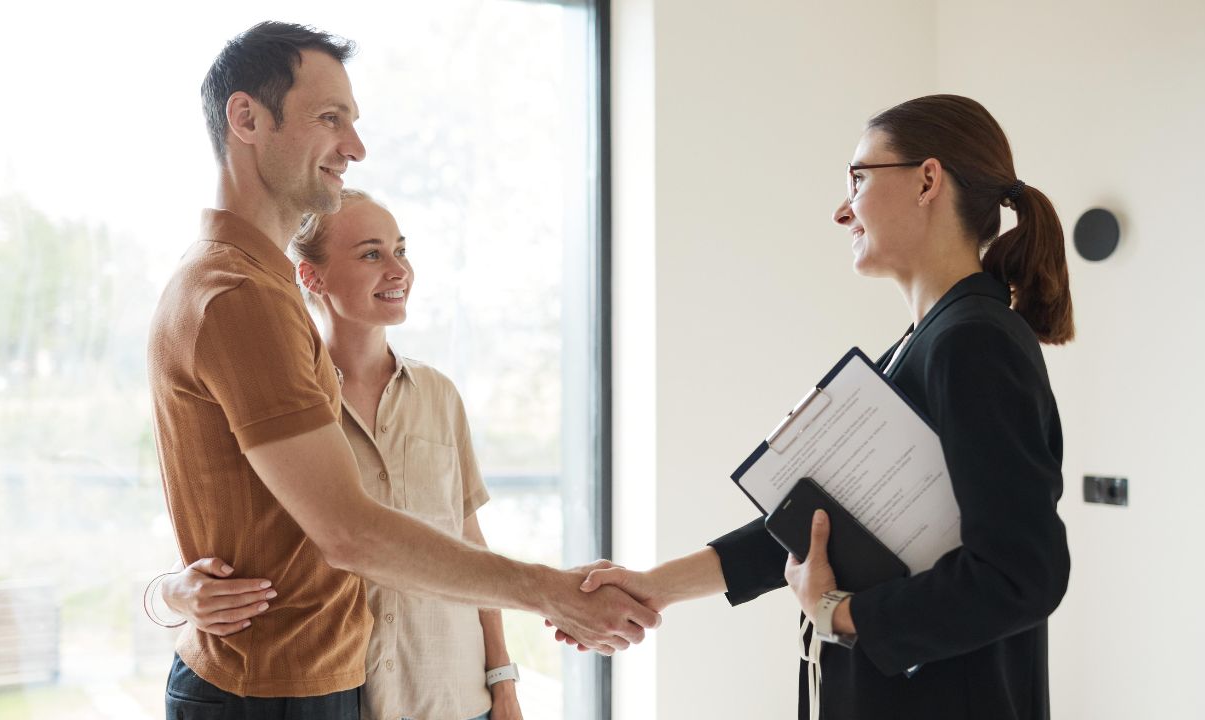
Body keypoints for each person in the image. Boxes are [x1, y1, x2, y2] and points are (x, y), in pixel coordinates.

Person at [147, 21, 654, 720]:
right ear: (247, 119)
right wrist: (550, 591)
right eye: (331, 119)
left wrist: (502, 673)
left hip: (322, 684)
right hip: (269, 695)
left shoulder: (253, 289)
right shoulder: (238, 298)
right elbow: (349, 531)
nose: (354, 148)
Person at [571, 94, 1074, 719]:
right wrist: (654, 587)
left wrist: (842, 612)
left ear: (927, 180)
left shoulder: (973, 341)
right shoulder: (927, 342)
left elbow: (1021, 575)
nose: (843, 211)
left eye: (857, 179)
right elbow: (815, 526)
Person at [165, 189, 528, 720]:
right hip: (340, 698)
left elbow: (469, 538)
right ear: (311, 278)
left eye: (400, 250)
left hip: (452, 693)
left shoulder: (439, 395)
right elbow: (236, 532)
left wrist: (503, 679)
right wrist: (171, 589)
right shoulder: (285, 400)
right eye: (371, 254)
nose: (398, 269)